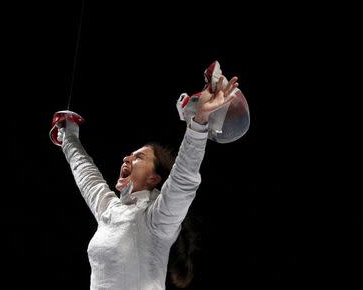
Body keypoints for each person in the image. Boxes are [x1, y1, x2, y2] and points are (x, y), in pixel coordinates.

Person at [56, 69, 239, 289]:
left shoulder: (157, 219)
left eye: (138, 157)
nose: (127, 158)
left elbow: (183, 180)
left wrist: (199, 122)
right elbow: (86, 173)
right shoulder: (109, 209)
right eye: (130, 155)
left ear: (153, 179)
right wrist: (68, 136)